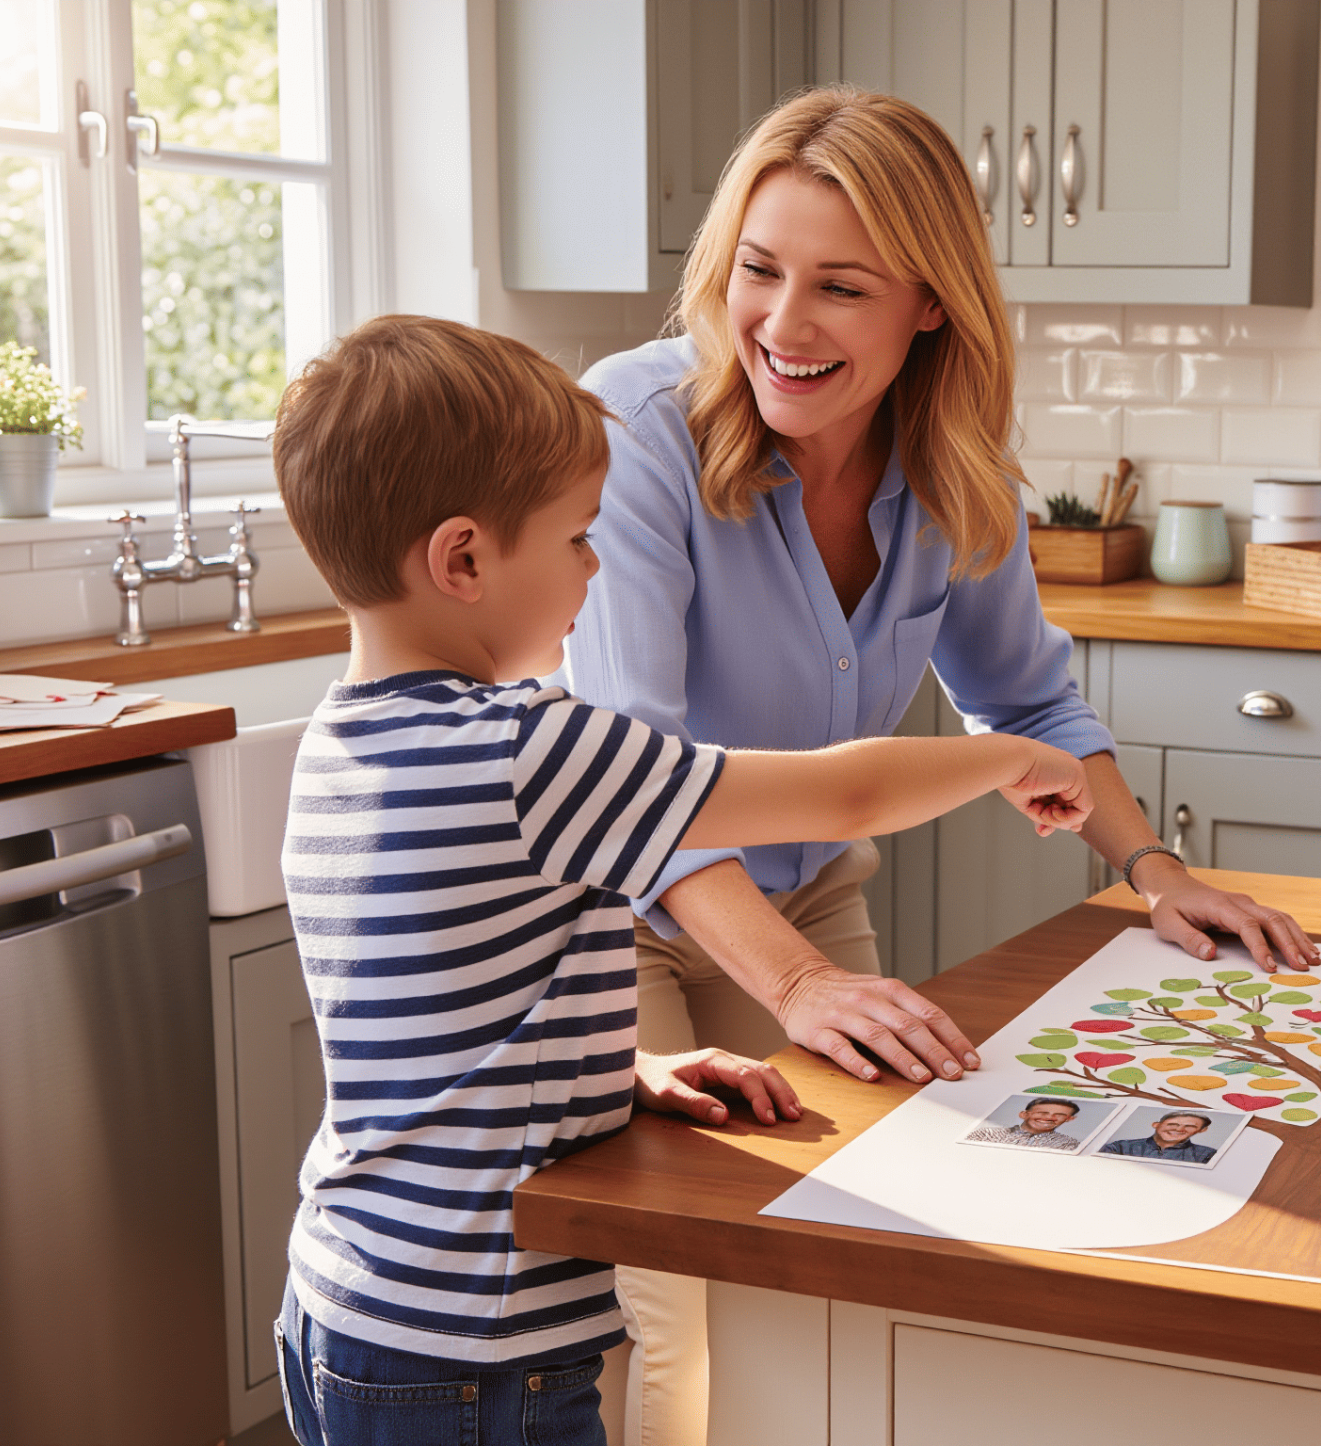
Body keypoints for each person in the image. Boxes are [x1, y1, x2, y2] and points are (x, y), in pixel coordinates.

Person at [567, 88, 1321, 1441]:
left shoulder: (951, 467)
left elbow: (1026, 696)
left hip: (805, 895)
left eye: (841, 287)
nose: (783, 324)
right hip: (614, 919)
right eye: (758, 269)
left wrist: (1155, 869)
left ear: (928, 304)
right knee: (687, 1299)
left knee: (851, 1247)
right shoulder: (636, 429)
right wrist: (799, 986)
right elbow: (638, 776)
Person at [265, 315, 1091, 1446]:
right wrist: (1011, 757)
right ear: (463, 560)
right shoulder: (526, 747)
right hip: (480, 1346)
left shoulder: (342, 742)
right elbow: (840, 795)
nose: (594, 567)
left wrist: (622, 1071)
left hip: (350, 1299)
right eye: (576, 538)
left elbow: (437, 1029)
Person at [966, 1099, 1088, 1150]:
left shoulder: (1069, 1145)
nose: (1049, 1118)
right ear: (1024, 1114)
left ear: (1069, 1119)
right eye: (1042, 1113)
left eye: (1059, 1115)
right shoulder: (986, 1134)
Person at [1099, 1111, 1220, 1162]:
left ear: (1202, 1130)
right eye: (1172, 1124)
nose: (1179, 1129)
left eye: (1190, 1126)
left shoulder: (1207, 1155)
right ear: (1156, 1125)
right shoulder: (1120, 1147)